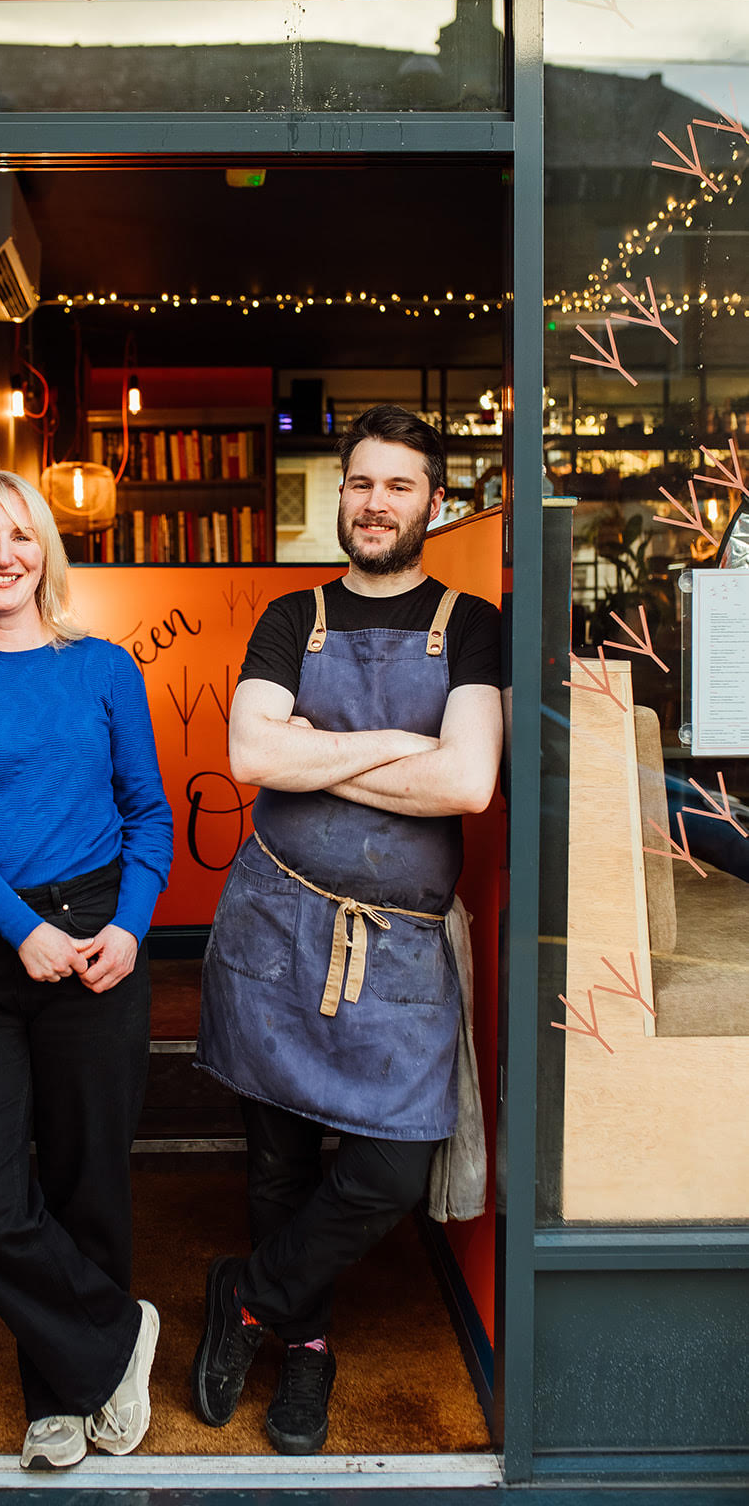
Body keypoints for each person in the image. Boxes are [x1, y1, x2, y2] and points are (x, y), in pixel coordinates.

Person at [191, 406, 502, 1455]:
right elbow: (251, 757)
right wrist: (390, 748)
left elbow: (464, 779)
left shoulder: (471, 623)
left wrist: (318, 742)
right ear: (342, 494)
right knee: (275, 1160)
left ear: (433, 502)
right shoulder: (289, 613)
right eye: (360, 483)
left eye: (397, 486)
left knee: (388, 1171)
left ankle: (250, 1293)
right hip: (273, 926)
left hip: (401, 951)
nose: (374, 504)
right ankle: (306, 1345)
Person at [0, 470, 173, 1471]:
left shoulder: (101, 667)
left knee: (84, 1179)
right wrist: (21, 929)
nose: (4, 554)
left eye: (21, 535)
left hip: (98, 938)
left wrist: (133, 927)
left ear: (45, 552)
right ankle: (114, 1340)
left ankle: (62, 1396)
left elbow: (148, 813)